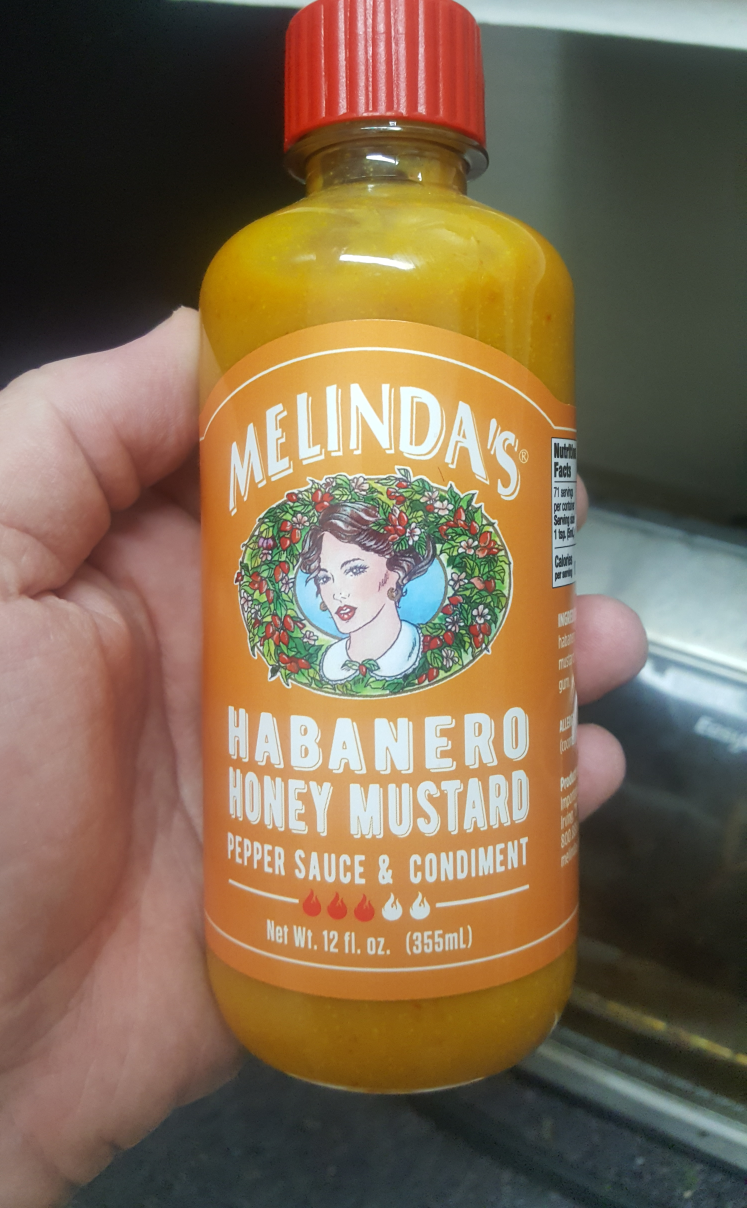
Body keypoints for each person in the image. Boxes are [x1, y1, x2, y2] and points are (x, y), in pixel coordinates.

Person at [0, 308, 647, 1206]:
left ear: (396, 575)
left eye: (353, 570)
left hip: (493, 949)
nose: (333, 590)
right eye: (321, 573)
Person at [299, 501, 434, 681]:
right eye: (324, 578)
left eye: (354, 570)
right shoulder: (329, 664)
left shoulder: (426, 649)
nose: (337, 594)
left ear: (396, 572)